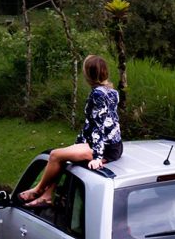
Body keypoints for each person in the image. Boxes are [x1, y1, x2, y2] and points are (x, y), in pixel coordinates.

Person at [19, 54, 122, 207]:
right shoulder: (112, 91)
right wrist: (78, 144)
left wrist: (97, 157)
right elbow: (104, 123)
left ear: (88, 74)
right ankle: (47, 195)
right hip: (113, 145)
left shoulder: (97, 94)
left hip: (103, 149)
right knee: (63, 158)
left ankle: (38, 189)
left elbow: (100, 126)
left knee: (54, 155)